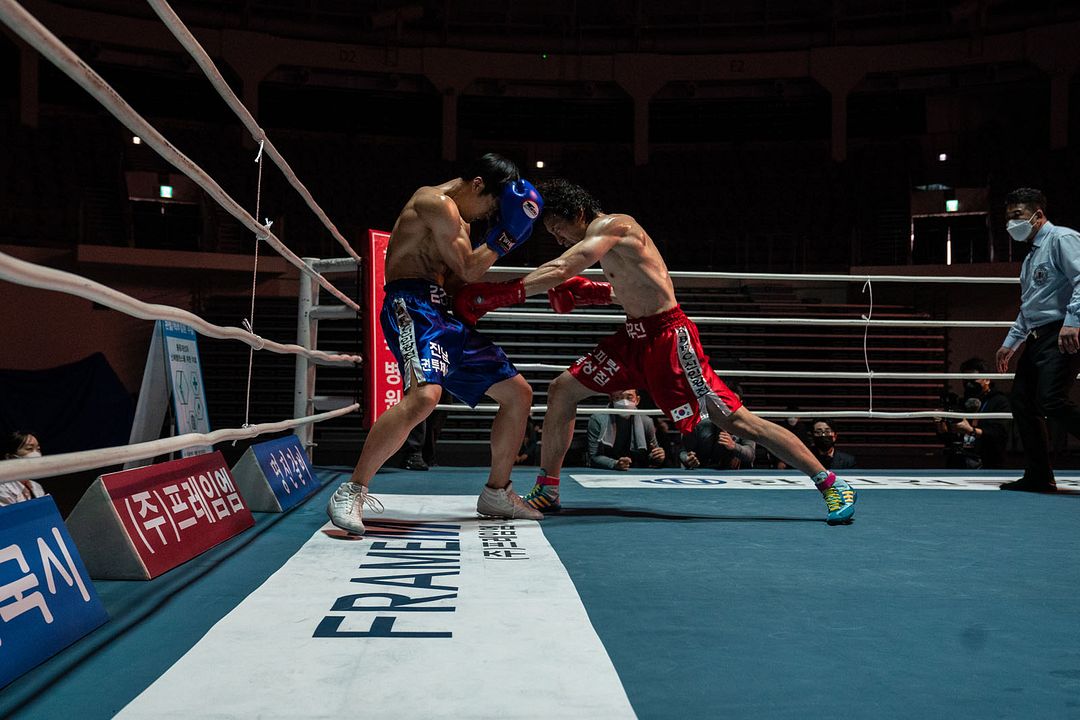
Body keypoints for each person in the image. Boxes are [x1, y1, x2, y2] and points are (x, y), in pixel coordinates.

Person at [455, 178, 857, 524]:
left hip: (669, 339)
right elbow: (630, 289)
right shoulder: (608, 243)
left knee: (735, 421)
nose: (558, 238)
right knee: (564, 389)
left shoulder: (615, 225)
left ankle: (829, 481)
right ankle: (548, 489)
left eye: (559, 229)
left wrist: (502, 294)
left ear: (578, 212)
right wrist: (594, 294)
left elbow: (564, 266)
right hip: (634, 339)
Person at [327, 154, 546, 534]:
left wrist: (488, 298)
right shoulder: (435, 203)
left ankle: (497, 493)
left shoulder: (458, 216)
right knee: (425, 396)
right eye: (492, 204)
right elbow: (469, 266)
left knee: (518, 393)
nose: (488, 214)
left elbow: (458, 279)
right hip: (412, 305)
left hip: (444, 313)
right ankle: (352, 490)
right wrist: (508, 236)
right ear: (477, 184)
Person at [995, 187, 1080, 493]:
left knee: (1053, 401)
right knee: (1022, 401)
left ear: (1038, 214)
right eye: (1008, 217)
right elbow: (1030, 306)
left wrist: (1073, 321)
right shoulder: (1031, 257)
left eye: (1016, 215)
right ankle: (1039, 475)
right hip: (1038, 336)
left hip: (1062, 332)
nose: (1011, 223)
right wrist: (1011, 343)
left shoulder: (1062, 239)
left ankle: (1040, 474)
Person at [934, 357, 1011, 469]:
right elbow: (950, 439)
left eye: (973, 379)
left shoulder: (999, 401)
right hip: (959, 463)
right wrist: (941, 425)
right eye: (965, 380)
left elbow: (999, 433)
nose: (969, 384)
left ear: (987, 379)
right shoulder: (961, 402)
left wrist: (971, 430)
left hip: (988, 462)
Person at [585, 389, 666, 470]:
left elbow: (652, 456)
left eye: (629, 398)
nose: (624, 402)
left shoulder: (646, 421)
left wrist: (657, 456)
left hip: (636, 471)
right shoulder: (597, 419)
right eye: (618, 397)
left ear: (637, 400)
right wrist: (615, 464)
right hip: (605, 471)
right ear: (611, 399)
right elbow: (593, 456)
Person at [680, 419, 755, 470]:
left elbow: (751, 454)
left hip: (737, 476)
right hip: (702, 472)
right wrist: (687, 459)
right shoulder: (698, 424)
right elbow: (683, 451)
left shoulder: (746, 426)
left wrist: (735, 446)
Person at [1, 431, 48, 506]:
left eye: (38, 449)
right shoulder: (3, 489)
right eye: (29, 448)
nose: (36, 454)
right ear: (10, 457)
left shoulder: (37, 487)